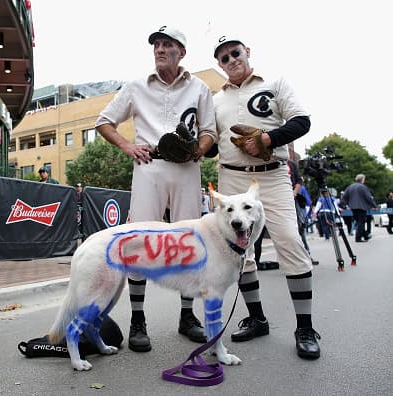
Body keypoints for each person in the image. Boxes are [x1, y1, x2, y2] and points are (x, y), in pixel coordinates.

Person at [95, 26, 217, 352]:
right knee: (138, 239)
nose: (160, 49)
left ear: (182, 52)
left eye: (167, 45)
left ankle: (187, 316)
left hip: (187, 168)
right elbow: (104, 121)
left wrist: (199, 150)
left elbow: (209, 132)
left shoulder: (200, 87)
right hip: (149, 166)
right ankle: (138, 319)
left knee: (190, 241)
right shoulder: (136, 86)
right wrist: (126, 146)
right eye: (157, 45)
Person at [212, 35, 320, 359]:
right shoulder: (216, 101)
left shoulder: (275, 82)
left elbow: (302, 121)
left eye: (235, 52)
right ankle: (257, 318)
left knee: (289, 239)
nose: (231, 60)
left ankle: (305, 327)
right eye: (224, 57)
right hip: (231, 175)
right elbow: (209, 144)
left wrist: (269, 138)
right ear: (219, 64)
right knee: (240, 249)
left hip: (272, 174)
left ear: (247, 52)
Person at [340, 174, 377, 242]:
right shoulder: (363, 187)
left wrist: (345, 204)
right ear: (362, 179)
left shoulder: (350, 186)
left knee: (358, 221)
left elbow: (344, 197)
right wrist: (374, 206)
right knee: (361, 222)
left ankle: (365, 235)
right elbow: (368, 197)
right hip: (362, 207)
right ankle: (358, 238)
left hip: (353, 207)